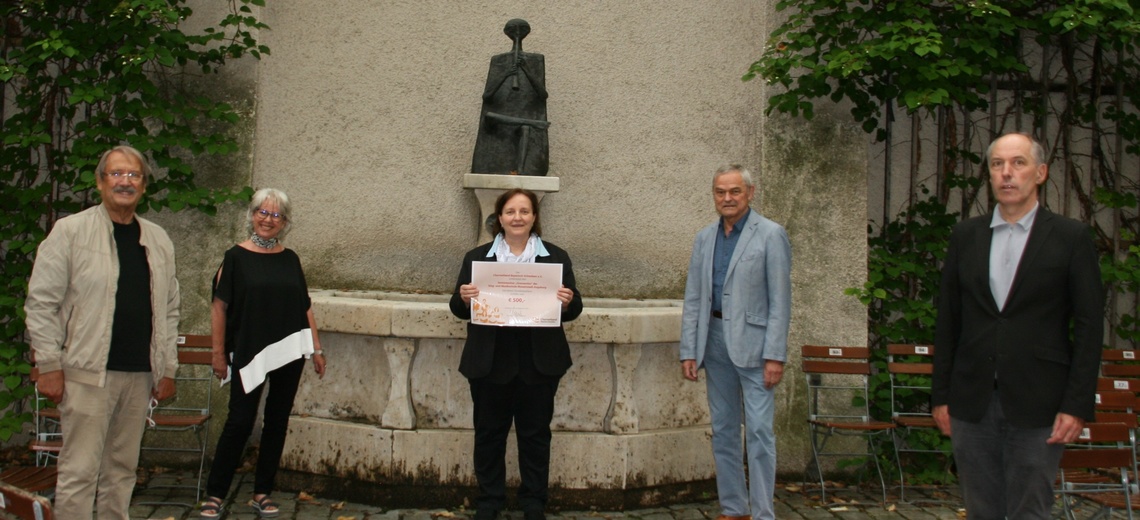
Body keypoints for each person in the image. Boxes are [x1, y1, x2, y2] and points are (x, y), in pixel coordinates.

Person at [932, 132, 1104, 519]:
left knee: (1031, 509)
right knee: (981, 509)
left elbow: (1090, 327)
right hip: (972, 402)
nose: (1006, 173)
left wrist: (1076, 405)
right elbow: (948, 321)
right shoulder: (965, 237)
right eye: (997, 164)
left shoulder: (1071, 238)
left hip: (1040, 402)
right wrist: (941, 397)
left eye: (1018, 163)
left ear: (1040, 173)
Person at [24, 144, 180, 519]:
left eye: (134, 175)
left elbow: (170, 308)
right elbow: (41, 303)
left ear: (144, 185)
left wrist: (167, 368)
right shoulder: (70, 232)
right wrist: (48, 364)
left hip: (139, 376)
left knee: (122, 471)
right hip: (86, 375)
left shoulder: (158, 239)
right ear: (100, 182)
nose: (125, 182)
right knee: (79, 472)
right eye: (117, 174)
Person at [449, 188, 582, 520]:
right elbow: (458, 308)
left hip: (538, 362)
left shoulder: (556, 257)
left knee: (535, 436)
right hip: (490, 361)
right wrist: (464, 298)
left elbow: (574, 308)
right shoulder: (477, 258)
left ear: (534, 216)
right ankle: (489, 501)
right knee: (488, 434)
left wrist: (568, 301)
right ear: (500, 217)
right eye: (510, 211)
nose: (517, 218)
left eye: (524, 211)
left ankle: (534, 502)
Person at [200, 188, 326, 519]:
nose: (269, 220)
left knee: (277, 421)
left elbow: (305, 306)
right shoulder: (234, 257)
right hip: (249, 351)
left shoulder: (291, 259)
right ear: (252, 215)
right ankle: (215, 493)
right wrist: (217, 353)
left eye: (276, 215)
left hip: (290, 350)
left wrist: (316, 348)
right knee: (239, 422)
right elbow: (219, 307)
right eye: (263, 212)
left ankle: (262, 492)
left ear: (285, 222)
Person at [679, 164, 792, 520]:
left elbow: (780, 301)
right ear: (714, 195)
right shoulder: (704, 238)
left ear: (750, 193)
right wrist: (689, 350)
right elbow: (694, 298)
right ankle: (733, 508)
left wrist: (775, 355)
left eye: (734, 191)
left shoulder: (771, 235)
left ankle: (763, 514)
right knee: (724, 430)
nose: (727, 198)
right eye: (720, 192)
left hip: (757, 349)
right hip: (713, 343)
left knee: (759, 432)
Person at [471, 19, 550, 176]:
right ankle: (528, 122)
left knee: (525, 129)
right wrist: (505, 74)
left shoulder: (536, 60)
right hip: (501, 117)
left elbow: (543, 95)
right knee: (491, 117)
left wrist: (526, 70)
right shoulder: (499, 61)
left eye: (521, 29)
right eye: (514, 30)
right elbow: (487, 96)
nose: (517, 33)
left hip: (524, 114)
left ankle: (521, 171)